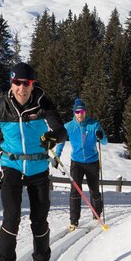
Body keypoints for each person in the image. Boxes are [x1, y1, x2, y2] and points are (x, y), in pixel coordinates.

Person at [0, 62, 67, 261]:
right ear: (12, 83)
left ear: (32, 84)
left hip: (38, 167)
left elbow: (62, 131)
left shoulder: (42, 102)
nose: (22, 89)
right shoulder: (1, 106)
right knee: (11, 219)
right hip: (12, 168)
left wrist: (52, 136)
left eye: (26, 83)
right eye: (17, 83)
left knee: (39, 220)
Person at [54, 98, 108, 231]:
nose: (80, 114)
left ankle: (97, 214)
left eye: (82, 111)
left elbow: (105, 141)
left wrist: (101, 135)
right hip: (76, 163)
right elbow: (60, 141)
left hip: (92, 162)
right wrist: (57, 156)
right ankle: (74, 221)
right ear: (74, 113)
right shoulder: (69, 126)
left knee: (94, 190)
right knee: (75, 191)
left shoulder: (94, 124)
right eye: (77, 112)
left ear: (85, 111)